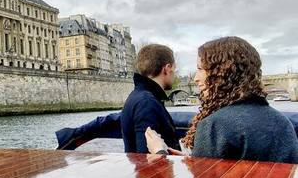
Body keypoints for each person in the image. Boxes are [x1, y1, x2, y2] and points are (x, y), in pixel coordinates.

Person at [146, 37, 298, 164]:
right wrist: (192, 160)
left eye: (200, 69)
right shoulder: (283, 123)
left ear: (221, 74)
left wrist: (160, 154)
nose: (195, 78)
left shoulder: (215, 126)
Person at [120, 44, 181, 154]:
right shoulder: (147, 102)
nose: (174, 75)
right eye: (174, 69)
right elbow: (146, 158)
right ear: (167, 69)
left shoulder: (136, 97)